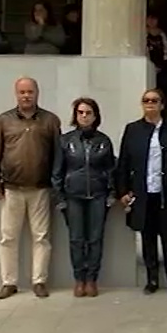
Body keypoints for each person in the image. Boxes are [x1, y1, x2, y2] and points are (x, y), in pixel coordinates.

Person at [0, 77, 61, 299]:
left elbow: (58, 155)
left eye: (30, 91)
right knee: (8, 238)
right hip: (11, 188)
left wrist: (56, 185)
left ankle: (39, 281)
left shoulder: (50, 120)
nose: (26, 95)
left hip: (40, 188)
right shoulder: (3, 121)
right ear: (16, 94)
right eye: (22, 92)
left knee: (41, 237)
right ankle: (9, 282)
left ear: (37, 93)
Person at [115, 89, 167, 295]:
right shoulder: (133, 130)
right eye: (146, 100)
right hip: (143, 193)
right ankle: (152, 279)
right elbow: (123, 162)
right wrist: (123, 190)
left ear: (162, 105)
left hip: (165, 193)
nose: (150, 103)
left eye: (154, 100)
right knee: (148, 237)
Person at [51, 97, 115, 297]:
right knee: (76, 239)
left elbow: (111, 169)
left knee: (95, 239)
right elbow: (57, 171)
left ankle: (92, 279)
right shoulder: (66, 141)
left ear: (95, 116)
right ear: (75, 116)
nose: (84, 116)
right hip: (73, 196)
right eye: (81, 113)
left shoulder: (103, 141)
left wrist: (111, 193)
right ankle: (79, 279)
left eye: (88, 113)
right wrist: (59, 197)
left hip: (98, 195)